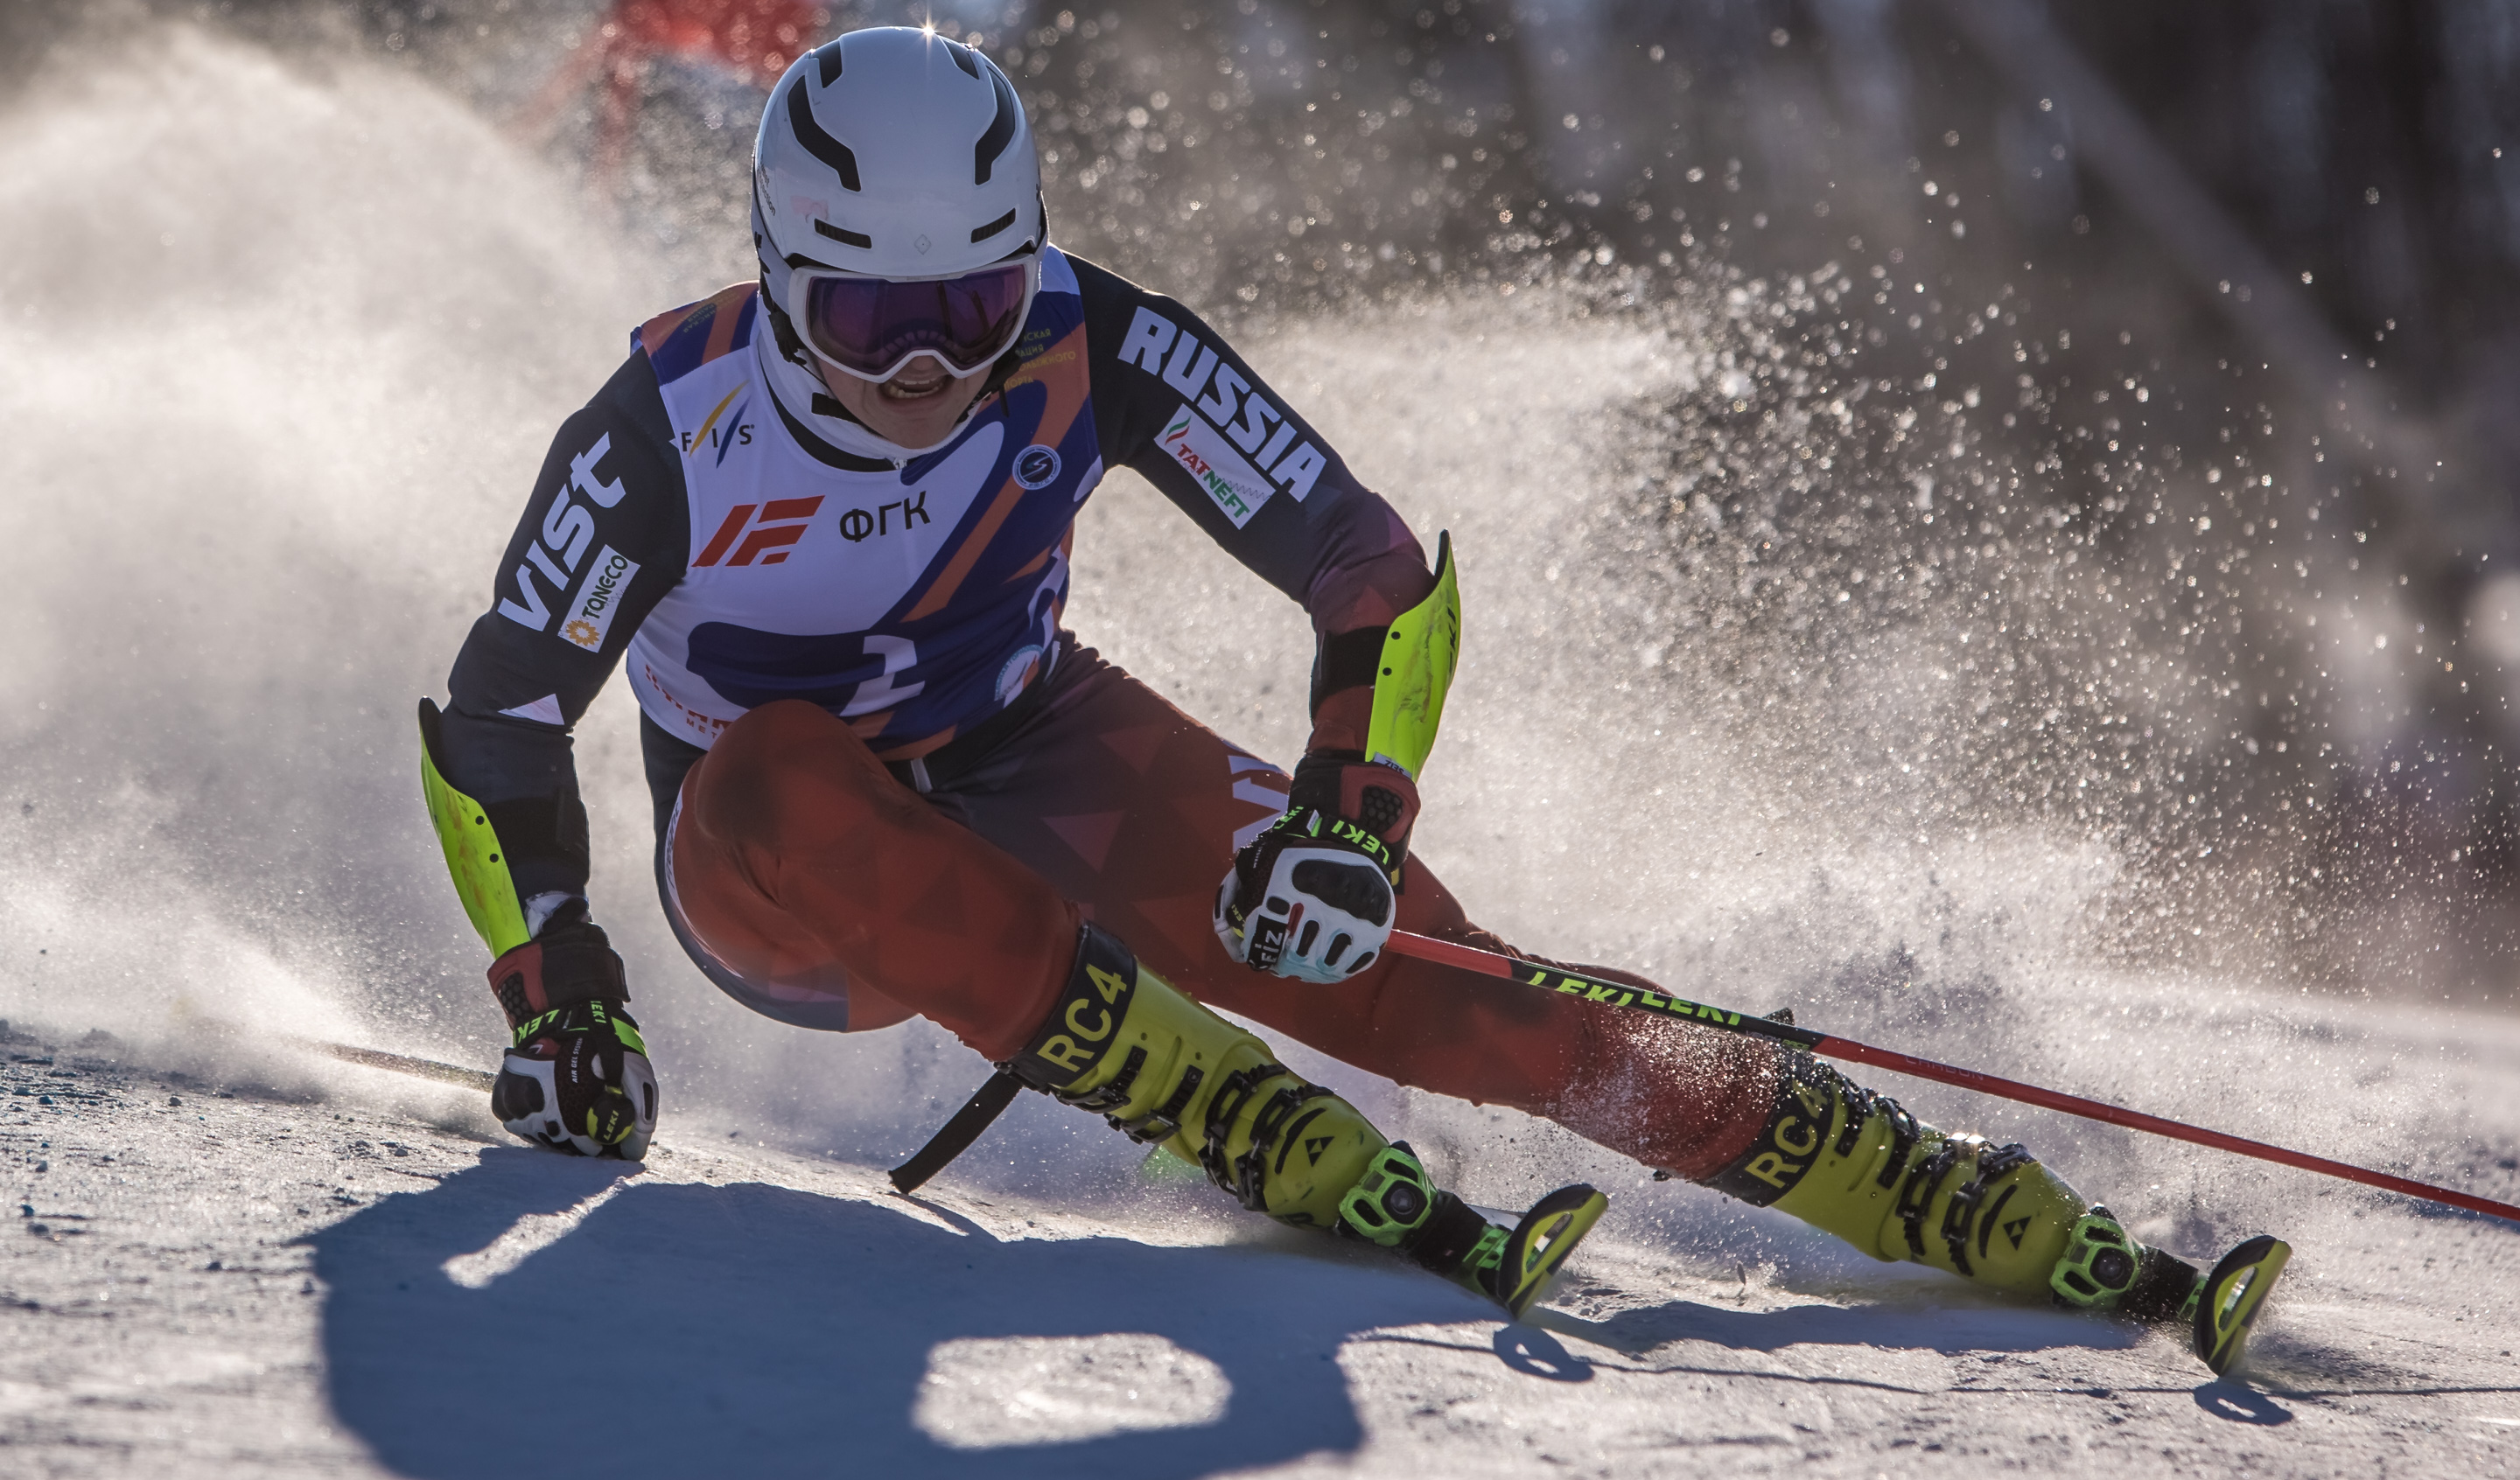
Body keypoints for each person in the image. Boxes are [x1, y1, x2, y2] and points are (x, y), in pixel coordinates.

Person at [420, 25, 2253, 1340]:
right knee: (776, 770)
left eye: (970, 309)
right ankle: (1204, 1095)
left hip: (1030, 749)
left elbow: (1377, 578)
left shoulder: (1094, 337)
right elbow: (496, 718)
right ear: (777, 272)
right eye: (869, 318)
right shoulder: (666, 430)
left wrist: (1350, 818)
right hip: (786, 877)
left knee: (1458, 995)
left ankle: (1903, 1175)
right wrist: (561, 987)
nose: (926, 367)